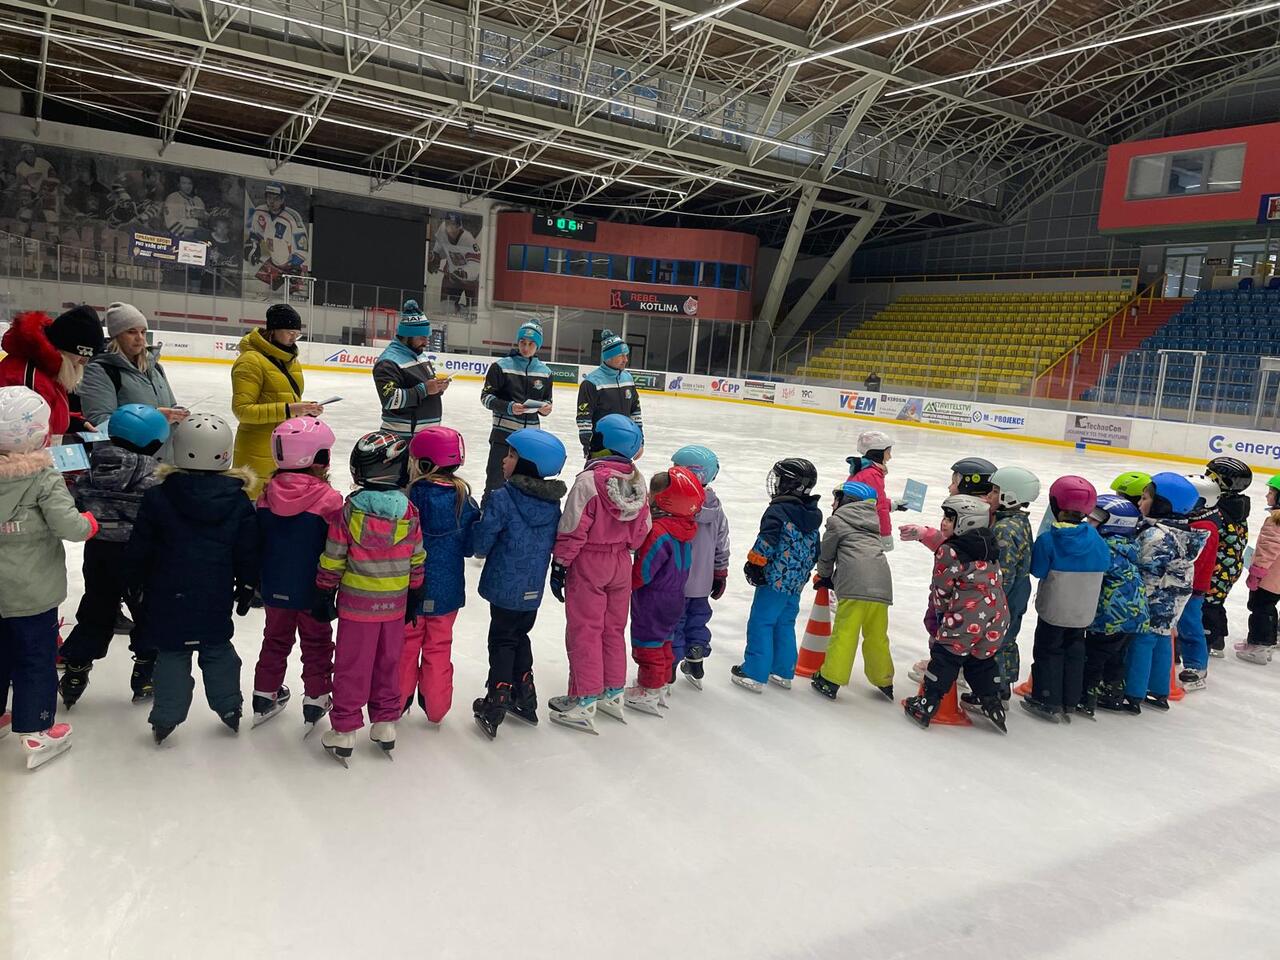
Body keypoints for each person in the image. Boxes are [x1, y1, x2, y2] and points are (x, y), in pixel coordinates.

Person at [125, 414, 258, 744]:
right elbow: (248, 549)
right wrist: (248, 584)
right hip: (214, 593)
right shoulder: (237, 499)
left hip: (167, 594)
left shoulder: (158, 497)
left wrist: (134, 582)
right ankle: (229, 707)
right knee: (217, 649)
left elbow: (140, 546)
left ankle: (166, 717)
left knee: (172, 652)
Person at [312, 431, 425, 765]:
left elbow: (333, 556)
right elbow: (417, 557)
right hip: (394, 606)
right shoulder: (409, 512)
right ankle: (385, 723)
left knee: (352, 666)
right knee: (388, 663)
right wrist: (415, 591)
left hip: (357, 608)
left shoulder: (349, 512)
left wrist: (324, 588)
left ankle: (345, 729)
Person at [0, 387, 98, 769]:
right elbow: (69, 526)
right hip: (32, 592)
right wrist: (88, 523)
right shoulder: (42, 476)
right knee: (35, 659)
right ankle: (37, 729)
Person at [60, 404, 169, 708]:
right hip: (141, 555)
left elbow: (77, 500)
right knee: (147, 612)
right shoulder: (156, 476)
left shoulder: (92, 468)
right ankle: (145, 671)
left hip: (99, 552)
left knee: (97, 607)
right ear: (154, 443)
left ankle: (75, 670)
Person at [547, 414, 650, 734]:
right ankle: (612, 690)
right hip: (621, 563)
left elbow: (572, 526)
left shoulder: (589, 481)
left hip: (589, 563)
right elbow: (642, 530)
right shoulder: (637, 481)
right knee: (612, 629)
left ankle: (585, 697)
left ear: (601, 443)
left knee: (585, 630)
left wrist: (560, 564)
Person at [470, 429, 568, 739]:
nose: (504, 459)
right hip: (532, 588)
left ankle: (496, 700)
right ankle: (524, 694)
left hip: (504, 586)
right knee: (520, 635)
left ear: (527, 464)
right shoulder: (551, 505)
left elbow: (483, 541)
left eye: (511, 455)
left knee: (501, 640)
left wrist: (475, 539)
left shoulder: (503, 497)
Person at [250, 417, 343, 732]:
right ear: (317, 457)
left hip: (274, 585)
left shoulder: (265, 495)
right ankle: (317, 697)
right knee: (317, 643)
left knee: (275, 639)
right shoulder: (330, 499)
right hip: (314, 590)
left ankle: (264, 694)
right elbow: (337, 544)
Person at [902, 495, 1008, 733]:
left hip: (968, 615)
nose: (943, 522)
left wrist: (942, 616)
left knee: (946, 656)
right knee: (980, 660)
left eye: (950, 518)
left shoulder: (949, 550)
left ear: (967, 521)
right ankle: (992, 702)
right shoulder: (989, 543)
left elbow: (942, 587)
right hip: (997, 613)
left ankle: (927, 703)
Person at [400, 427, 479, 724]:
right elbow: (470, 548)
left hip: (410, 588)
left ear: (422, 463)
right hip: (447, 593)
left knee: (406, 647)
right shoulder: (464, 501)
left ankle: (396, 703)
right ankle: (437, 708)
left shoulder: (408, 497)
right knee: (438, 647)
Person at [1022, 476, 1110, 724]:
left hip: (1054, 609)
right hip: (1083, 611)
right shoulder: (1096, 538)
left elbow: (1038, 570)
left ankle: (1047, 699)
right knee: (1075, 651)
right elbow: (1105, 563)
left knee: (1048, 651)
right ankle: (1070, 699)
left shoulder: (1049, 540)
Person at [732, 458, 822, 693]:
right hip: (795, 582)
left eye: (780, 479)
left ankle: (754, 673)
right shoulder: (812, 514)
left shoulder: (779, 510)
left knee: (761, 622)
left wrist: (755, 564)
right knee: (785, 622)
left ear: (789, 484)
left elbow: (767, 540)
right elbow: (816, 550)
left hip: (775, 579)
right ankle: (783, 671)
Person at [1123, 473, 1208, 712]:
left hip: (1154, 596)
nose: (1139, 502)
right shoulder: (1182, 532)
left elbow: (1142, 566)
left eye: (1145, 498)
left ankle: (1133, 692)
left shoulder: (1156, 535)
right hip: (1173, 598)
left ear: (1163, 504)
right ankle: (1159, 690)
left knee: (1142, 640)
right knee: (1162, 637)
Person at [625, 467, 704, 715]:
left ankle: (649, 689)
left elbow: (645, 568)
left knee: (647, 643)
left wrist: (627, 584)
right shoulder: (685, 528)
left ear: (663, 499)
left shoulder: (658, 531)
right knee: (665, 641)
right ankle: (661, 682)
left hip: (653, 599)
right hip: (675, 597)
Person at [810, 480, 894, 701]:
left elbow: (826, 554)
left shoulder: (837, 522)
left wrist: (824, 576)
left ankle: (830, 679)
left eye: (836, 499)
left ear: (847, 501)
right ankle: (884, 678)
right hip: (882, 585)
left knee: (845, 633)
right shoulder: (872, 523)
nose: (832, 504)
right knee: (877, 634)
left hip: (855, 586)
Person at [78, 302, 188, 461]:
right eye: (131, 332)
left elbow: (170, 405)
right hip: (125, 466)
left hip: (162, 462)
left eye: (143, 332)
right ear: (117, 335)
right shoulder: (100, 370)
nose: (140, 338)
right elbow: (100, 423)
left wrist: (178, 414)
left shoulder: (155, 368)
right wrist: (152, 418)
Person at [231, 302, 320, 496]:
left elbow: (286, 399)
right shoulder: (250, 361)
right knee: (254, 506)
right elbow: (242, 411)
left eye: (297, 334)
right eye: (289, 332)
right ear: (273, 330)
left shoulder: (290, 361)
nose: (293, 338)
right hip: (256, 452)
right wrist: (289, 409)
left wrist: (305, 410)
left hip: (285, 450)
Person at [669, 445, 730, 691]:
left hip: (674, 580)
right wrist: (720, 571)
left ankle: (669, 667)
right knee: (697, 620)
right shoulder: (715, 506)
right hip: (702, 583)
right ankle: (695, 656)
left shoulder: (672, 503)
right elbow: (721, 541)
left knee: (674, 623)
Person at [1083, 495, 1148, 715]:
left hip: (1112, 617)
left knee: (1094, 657)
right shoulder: (1127, 546)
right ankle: (1113, 693)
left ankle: (1086, 696)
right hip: (1134, 616)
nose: (1088, 522)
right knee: (1115, 657)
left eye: (1094, 519)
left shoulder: (1104, 548)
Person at [0, 306, 104, 435]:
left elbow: (45, 413)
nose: (84, 362)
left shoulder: (48, 369)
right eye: (81, 356)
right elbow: (22, 429)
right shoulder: (29, 376)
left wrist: (73, 422)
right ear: (64, 349)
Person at [478, 319, 553, 499]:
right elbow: (486, 398)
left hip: (530, 440)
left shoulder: (545, 372)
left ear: (538, 345)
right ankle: (488, 514)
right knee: (495, 485)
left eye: (531, 344)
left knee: (526, 488)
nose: (525, 348)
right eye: (522, 342)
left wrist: (546, 409)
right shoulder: (500, 367)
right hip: (503, 437)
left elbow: (547, 400)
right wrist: (509, 407)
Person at [986, 466, 1039, 700]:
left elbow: (1004, 572)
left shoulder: (1004, 528)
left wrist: (993, 600)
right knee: (1007, 639)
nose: (989, 495)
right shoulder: (1019, 521)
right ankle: (1003, 686)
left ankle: (994, 690)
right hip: (1019, 590)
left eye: (995, 491)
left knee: (995, 639)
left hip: (1007, 593)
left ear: (1010, 496)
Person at [373, 299, 448, 439]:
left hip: (424, 436)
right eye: (422, 338)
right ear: (407, 336)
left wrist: (438, 387)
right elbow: (390, 399)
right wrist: (425, 389)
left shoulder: (420, 355)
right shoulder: (388, 362)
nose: (426, 342)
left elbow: (424, 388)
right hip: (402, 439)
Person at [1202, 457, 1252, 657]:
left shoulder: (1219, 510)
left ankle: (1207, 640)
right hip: (1230, 566)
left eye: (1210, 476)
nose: (1205, 478)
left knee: (1208, 605)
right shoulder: (1237, 505)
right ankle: (1217, 640)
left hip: (1218, 568)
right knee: (1216, 602)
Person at [1175, 476, 1221, 691]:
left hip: (1192, 587)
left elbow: (1197, 561)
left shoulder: (1204, 527)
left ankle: (1197, 666)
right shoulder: (1196, 521)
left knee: (1190, 624)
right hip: (1186, 583)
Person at [575, 329, 641, 460]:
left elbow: (635, 412)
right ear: (608, 357)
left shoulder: (628, 378)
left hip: (625, 446)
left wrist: (640, 442)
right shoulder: (591, 383)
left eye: (626, 355)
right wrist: (588, 446)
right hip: (601, 448)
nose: (626, 359)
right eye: (621, 355)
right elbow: (584, 419)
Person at [1238, 475, 1280, 665]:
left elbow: (1267, 549)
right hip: (1276, 578)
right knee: (1268, 607)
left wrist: (1257, 572)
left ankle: (1260, 646)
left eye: (1271, 492)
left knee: (1260, 608)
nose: (1267, 496)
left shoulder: (1275, 521)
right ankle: (1266, 642)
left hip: (1269, 577)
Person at [245, 182, 309, 292]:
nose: (272, 201)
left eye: (276, 198)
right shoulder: (260, 212)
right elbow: (256, 234)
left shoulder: (292, 218)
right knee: (259, 291)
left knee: (292, 295)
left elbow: (302, 248)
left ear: (283, 199)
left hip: (292, 266)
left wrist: (294, 267)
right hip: (273, 262)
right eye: (269, 197)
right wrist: (253, 245)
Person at [844, 430, 897, 551]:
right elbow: (879, 507)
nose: (890, 457)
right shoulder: (872, 475)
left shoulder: (864, 470)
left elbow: (869, 500)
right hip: (859, 532)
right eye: (888, 452)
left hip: (851, 526)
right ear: (878, 453)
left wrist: (892, 504)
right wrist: (885, 535)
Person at [429, 211, 480, 311]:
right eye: (448, 224)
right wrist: (434, 258)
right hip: (451, 275)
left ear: (459, 226)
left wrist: (464, 273)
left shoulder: (468, 240)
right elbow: (439, 248)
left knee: (474, 310)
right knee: (446, 307)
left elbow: (475, 264)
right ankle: (460, 310)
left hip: (471, 280)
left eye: (453, 225)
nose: (450, 228)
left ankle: (464, 310)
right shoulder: (442, 230)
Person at [163, 174, 207, 240]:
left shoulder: (198, 200)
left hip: (198, 239)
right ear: (178, 184)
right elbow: (170, 223)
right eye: (184, 183)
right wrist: (188, 236)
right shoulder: (173, 198)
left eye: (190, 183)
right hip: (178, 238)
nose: (187, 186)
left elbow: (204, 222)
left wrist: (204, 217)